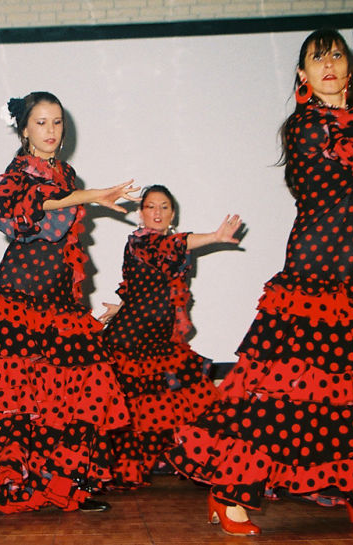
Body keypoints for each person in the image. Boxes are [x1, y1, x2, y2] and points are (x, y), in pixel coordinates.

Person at [166, 29, 353, 536]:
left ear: (348, 70)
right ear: (302, 75)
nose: (328, 64)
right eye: (317, 58)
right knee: (281, 393)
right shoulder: (308, 126)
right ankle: (229, 494)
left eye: (336, 55)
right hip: (315, 271)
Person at [0, 91, 137, 517]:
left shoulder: (66, 172)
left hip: (57, 298)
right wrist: (87, 196)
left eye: (57, 122)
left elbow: (64, 226)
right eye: (41, 122)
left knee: (61, 396)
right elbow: (36, 206)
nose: (51, 130)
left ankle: (57, 487)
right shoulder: (19, 171)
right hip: (21, 291)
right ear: (24, 129)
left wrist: (83, 194)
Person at [97, 185, 239, 488]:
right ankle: (112, 470)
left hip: (160, 341)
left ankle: (211, 465)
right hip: (131, 341)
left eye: (164, 206)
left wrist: (119, 306)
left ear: (172, 213)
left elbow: (144, 287)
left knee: (180, 404)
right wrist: (214, 237)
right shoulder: (141, 241)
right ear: (141, 213)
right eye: (151, 206)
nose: (158, 212)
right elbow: (175, 243)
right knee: (127, 411)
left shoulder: (164, 246)